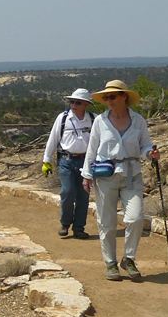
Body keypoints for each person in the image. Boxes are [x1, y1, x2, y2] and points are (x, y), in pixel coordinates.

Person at [82, 80, 160, 281]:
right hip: (105, 175)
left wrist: (150, 154)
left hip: (132, 174)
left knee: (135, 219)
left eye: (113, 96)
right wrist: (86, 175)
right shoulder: (100, 121)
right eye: (106, 97)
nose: (109, 100)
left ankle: (129, 258)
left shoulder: (138, 120)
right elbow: (92, 148)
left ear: (124, 96)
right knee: (106, 221)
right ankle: (110, 263)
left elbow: (145, 145)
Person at [42, 88, 96, 238]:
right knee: (67, 191)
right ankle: (65, 223)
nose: (73, 105)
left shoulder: (94, 119)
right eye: (71, 101)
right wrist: (47, 160)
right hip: (66, 159)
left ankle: (79, 228)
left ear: (86, 104)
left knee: (83, 195)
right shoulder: (63, 118)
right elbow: (53, 139)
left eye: (77, 102)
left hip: (86, 162)